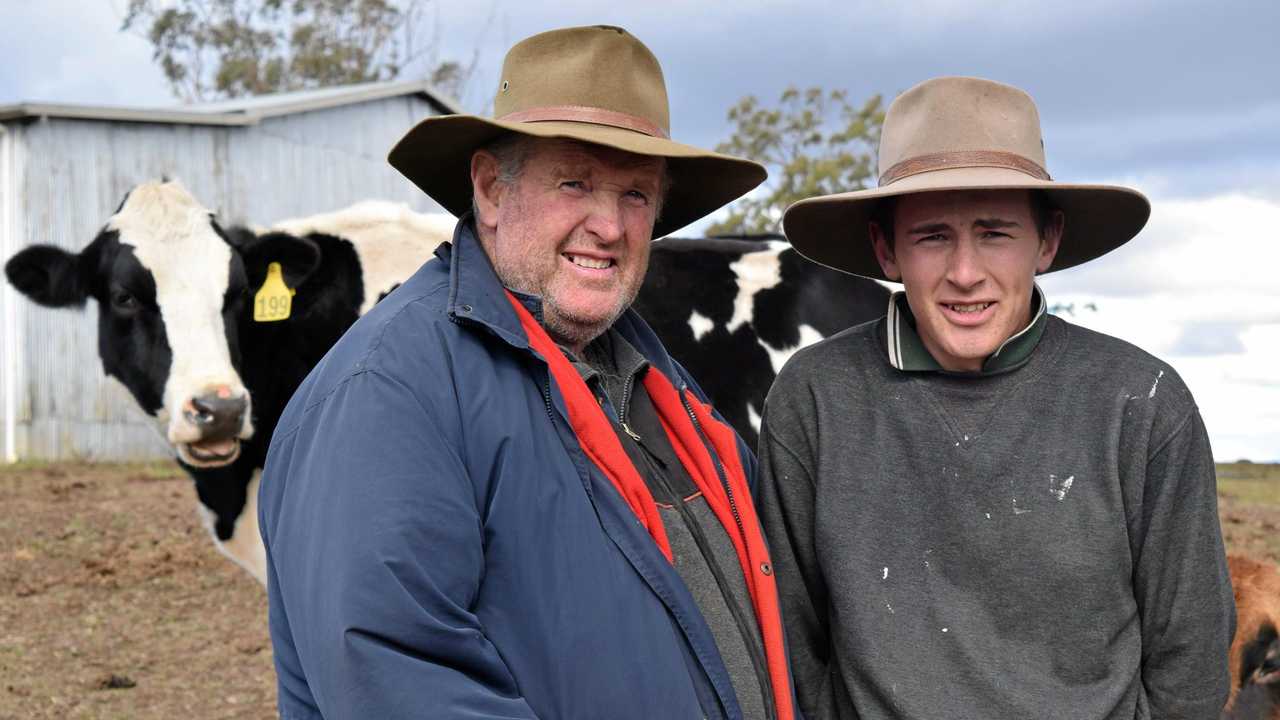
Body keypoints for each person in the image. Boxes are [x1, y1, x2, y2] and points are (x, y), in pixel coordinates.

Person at [258, 25, 798, 720]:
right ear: (489, 188)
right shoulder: (389, 392)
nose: (608, 225)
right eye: (574, 182)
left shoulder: (647, 378)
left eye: (635, 194)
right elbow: (398, 681)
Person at [760, 76, 1235, 719]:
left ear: (1047, 241)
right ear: (885, 247)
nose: (964, 272)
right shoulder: (816, 399)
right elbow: (792, 646)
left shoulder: (1142, 404)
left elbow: (1191, 656)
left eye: (995, 233)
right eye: (931, 235)